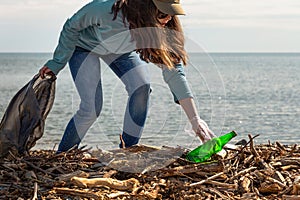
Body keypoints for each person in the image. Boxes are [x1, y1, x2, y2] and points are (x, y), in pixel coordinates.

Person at [39, 0, 216, 152]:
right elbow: (72, 25)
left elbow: (174, 72)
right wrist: (58, 62)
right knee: (91, 108)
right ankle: (64, 153)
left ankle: (127, 150)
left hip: (120, 52)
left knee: (142, 88)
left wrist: (195, 120)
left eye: (171, 14)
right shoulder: (106, 9)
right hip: (84, 47)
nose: (168, 19)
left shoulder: (158, 29)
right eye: (163, 13)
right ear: (147, 8)